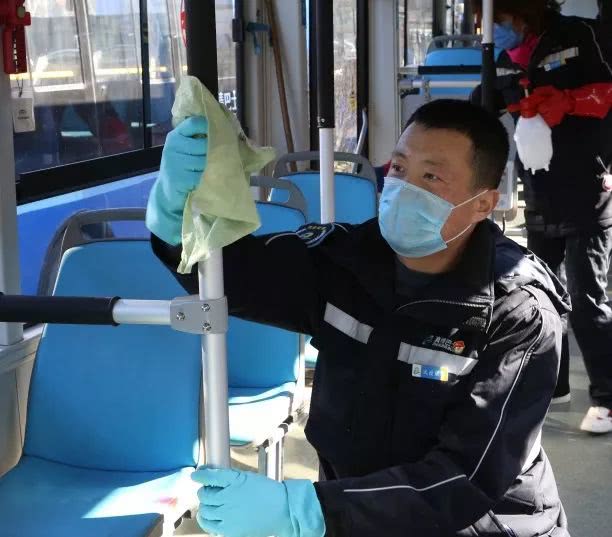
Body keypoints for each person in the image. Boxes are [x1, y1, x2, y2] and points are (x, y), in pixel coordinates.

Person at [146, 99, 570, 537]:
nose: (404, 188)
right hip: (357, 512)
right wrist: (176, 214)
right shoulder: (345, 262)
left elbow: (467, 476)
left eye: (431, 177)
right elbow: (229, 276)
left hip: (482, 525)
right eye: (399, 168)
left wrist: (304, 511)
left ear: (483, 204)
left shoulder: (519, 313)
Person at [471, 0, 612, 433]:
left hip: (589, 184)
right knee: (542, 294)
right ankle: (554, 384)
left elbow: (607, 93)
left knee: (587, 298)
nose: (495, 27)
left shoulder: (579, 36)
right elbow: (481, 109)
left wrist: (569, 101)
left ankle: (607, 396)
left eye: (499, 19)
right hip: (540, 188)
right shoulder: (504, 57)